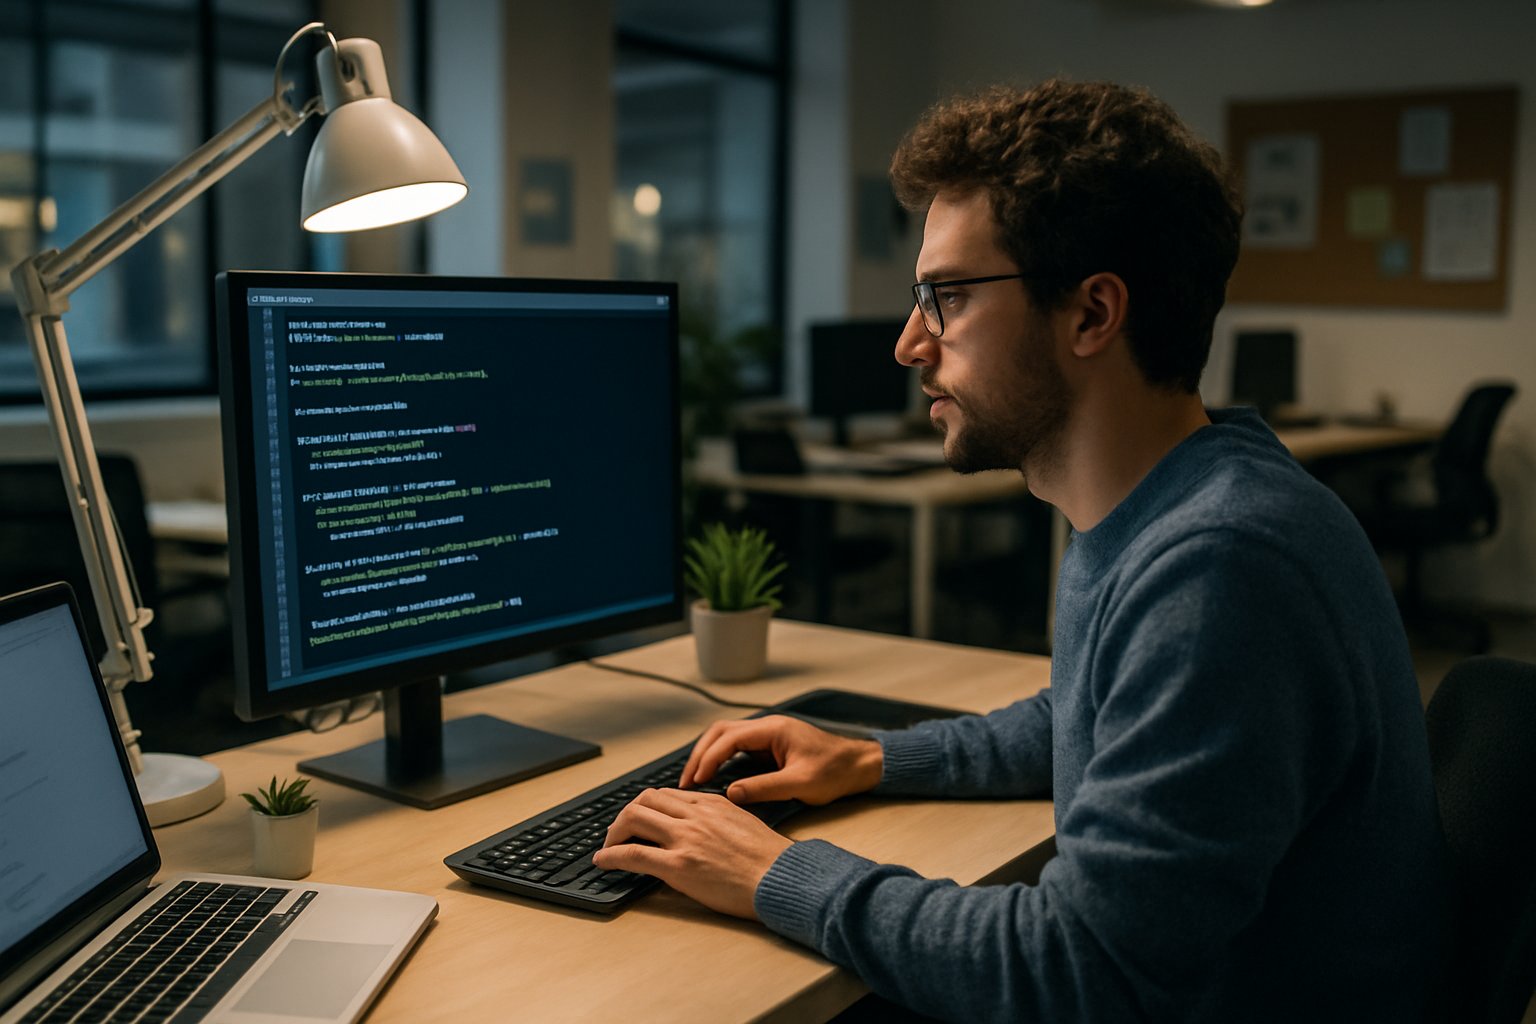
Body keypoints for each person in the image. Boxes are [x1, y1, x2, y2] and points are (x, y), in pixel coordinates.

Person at [592, 79, 1450, 1021]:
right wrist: (870, 759)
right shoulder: (1173, 503)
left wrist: (778, 871)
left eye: (947, 297)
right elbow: (1085, 714)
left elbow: (1082, 972)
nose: (910, 344)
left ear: (1091, 314)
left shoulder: (1223, 562)